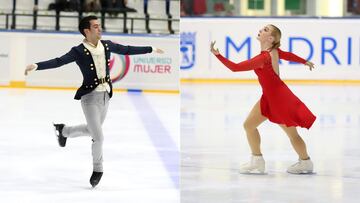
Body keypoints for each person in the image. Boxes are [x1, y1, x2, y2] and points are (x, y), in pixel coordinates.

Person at [25, 15, 164, 187]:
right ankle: (98, 169)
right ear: (87, 30)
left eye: (100, 26)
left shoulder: (106, 45)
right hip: (89, 98)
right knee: (98, 136)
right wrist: (37, 65)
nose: (100, 29)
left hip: (106, 95)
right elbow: (59, 61)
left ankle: (64, 131)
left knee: (92, 131)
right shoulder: (78, 51)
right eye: (96, 26)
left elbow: (127, 49)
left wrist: (150, 48)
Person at [210, 24, 316, 174]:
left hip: (278, 100)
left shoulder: (264, 57)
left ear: (271, 38)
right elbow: (289, 55)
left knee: (292, 134)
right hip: (269, 97)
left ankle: (305, 163)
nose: (260, 30)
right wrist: (304, 61)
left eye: (265, 30)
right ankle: (257, 160)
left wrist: (217, 55)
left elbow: (235, 67)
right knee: (249, 125)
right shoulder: (273, 51)